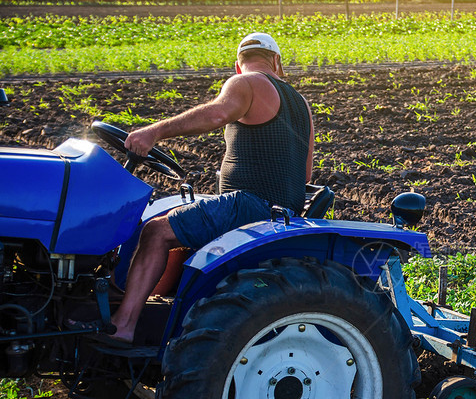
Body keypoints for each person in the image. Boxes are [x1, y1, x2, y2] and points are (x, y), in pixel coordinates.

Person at [70, 32, 314, 344]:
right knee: (176, 225)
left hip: (248, 205)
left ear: (238, 65)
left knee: (154, 231)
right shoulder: (301, 104)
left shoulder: (246, 82)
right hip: (283, 210)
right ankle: (151, 310)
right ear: (277, 63)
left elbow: (217, 113)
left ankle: (125, 323)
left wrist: (154, 131)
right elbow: (305, 175)